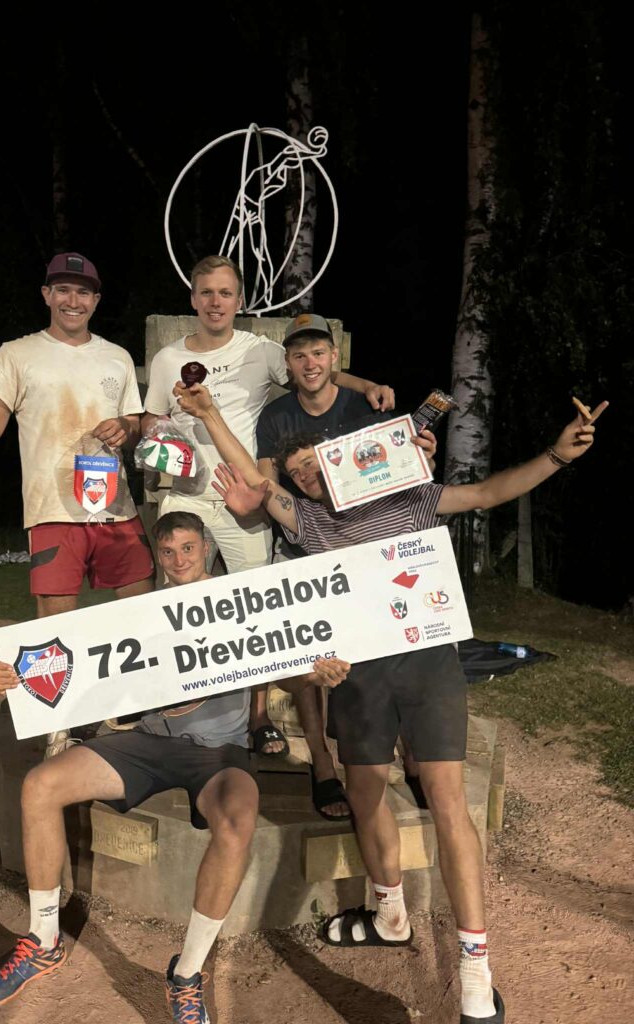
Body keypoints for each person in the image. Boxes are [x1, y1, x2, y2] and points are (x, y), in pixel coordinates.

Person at [174, 379, 607, 1024]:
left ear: (340, 460)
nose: (309, 477)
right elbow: (254, 478)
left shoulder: (412, 497)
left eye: (316, 464)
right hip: (357, 674)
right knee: (366, 793)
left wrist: (555, 456)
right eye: (298, 474)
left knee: (448, 801)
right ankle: (390, 913)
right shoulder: (312, 524)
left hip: (429, 661)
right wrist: (209, 413)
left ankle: (475, 972)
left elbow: (488, 493)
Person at [0, 510, 348, 1021]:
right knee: (41, 785)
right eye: (168, 551)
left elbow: (285, 674)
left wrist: (313, 676)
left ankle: (187, 973)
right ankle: (43, 940)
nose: (178, 560)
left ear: (207, 548)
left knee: (237, 823)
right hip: (147, 743)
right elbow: (79, 669)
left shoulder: (239, 603)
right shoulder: (141, 611)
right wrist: (17, 677)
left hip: (218, 753)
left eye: (188, 548)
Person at [143, 255, 394, 755]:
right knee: (176, 606)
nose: (216, 302)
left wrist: (368, 386)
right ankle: (173, 707)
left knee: (254, 609)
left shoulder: (260, 351)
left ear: (239, 301)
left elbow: (315, 375)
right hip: (185, 493)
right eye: (206, 293)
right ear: (193, 298)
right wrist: (160, 438)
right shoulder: (168, 358)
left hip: (246, 496)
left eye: (225, 293)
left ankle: (256, 718)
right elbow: (151, 420)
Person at [256, 313, 438, 819]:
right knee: (309, 656)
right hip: (303, 542)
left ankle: (412, 757)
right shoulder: (275, 417)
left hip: (365, 547)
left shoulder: (366, 405)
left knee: (392, 646)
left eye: (318, 352)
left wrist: (426, 456)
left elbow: (398, 469)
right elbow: (265, 482)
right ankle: (322, 765)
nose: (310, 363)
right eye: (299, 355)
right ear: (288, 363)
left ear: (334, 357)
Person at [0, 252, 155, 622]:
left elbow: (133, 425)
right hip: (51, 511)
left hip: (115, 507)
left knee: (144, 616)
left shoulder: (118, 357)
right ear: (46, 294)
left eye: (83, 292)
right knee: (55, 629)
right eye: (63, 290)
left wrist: (125, 428)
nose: (73, 301)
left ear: (96, 300)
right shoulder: (15, 354)